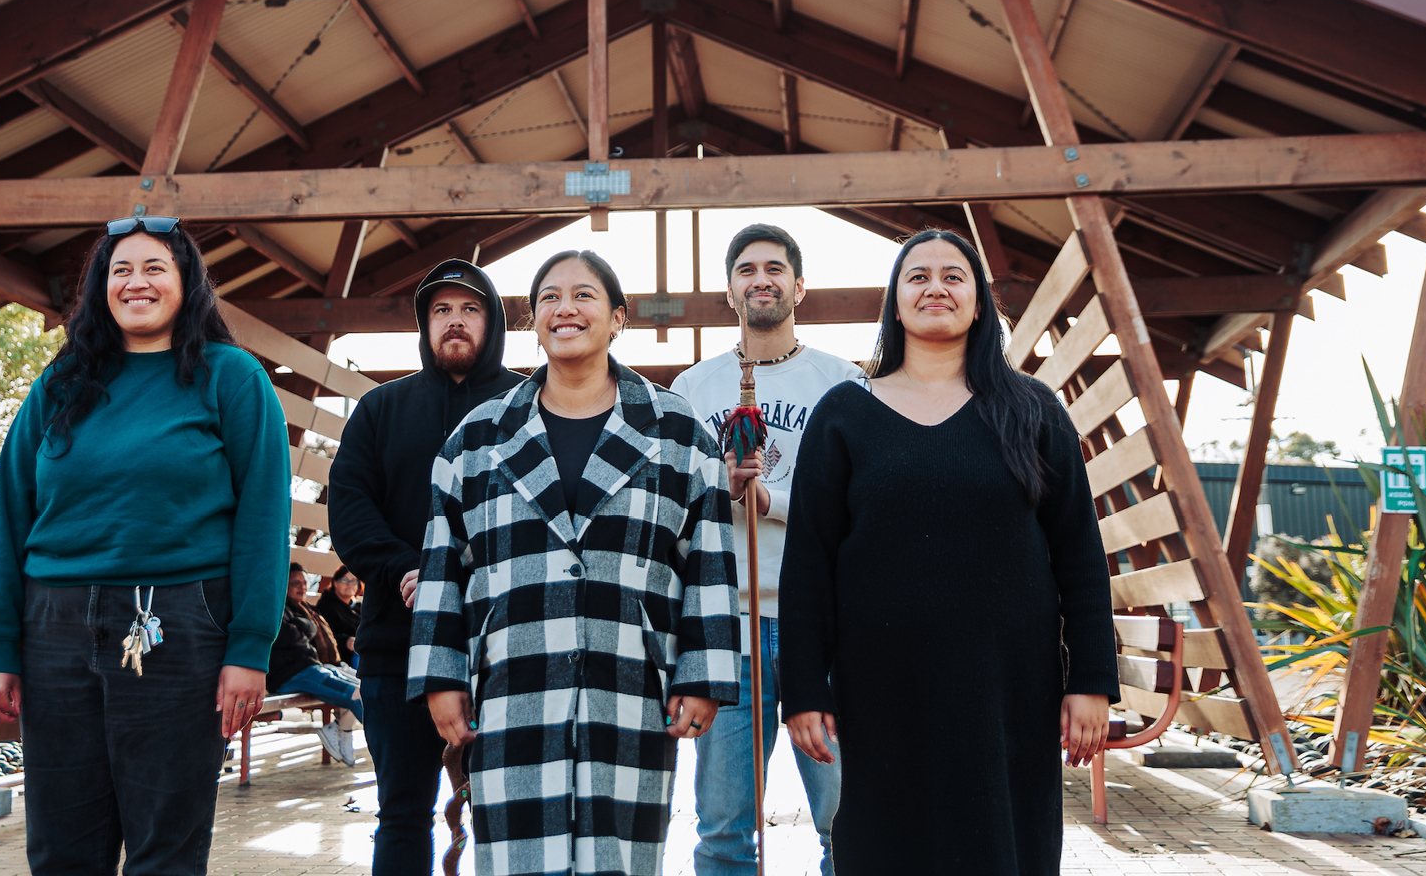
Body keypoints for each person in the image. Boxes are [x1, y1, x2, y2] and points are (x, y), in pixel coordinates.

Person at [778, 228, 1116, 876]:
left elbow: (1080, 556)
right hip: (880, 692)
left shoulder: (1033, 411)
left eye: (954, 276)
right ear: (895, 303)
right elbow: (808, 570)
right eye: (918, 276)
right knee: (884, 847)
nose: (936, 287)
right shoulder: (844, 414)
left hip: (1009, 691)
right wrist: (802, 690)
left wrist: (1092, 681)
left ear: (981, 303)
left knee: (1004, 845)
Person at [0, 215, 289, 876]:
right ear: (99, 289)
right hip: (53, 628)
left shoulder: (230, 378)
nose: (135, 282)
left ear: (185, 284)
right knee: (62, 846)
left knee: (164, 846)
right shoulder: (60, 386)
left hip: (175, 624)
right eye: (120, 270)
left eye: (154, 268)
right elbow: (11, 518)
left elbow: (263, 515)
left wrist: (250, 646)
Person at [409, 249, 741, 876]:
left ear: (618, 318)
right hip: (511, 684)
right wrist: (442, 677)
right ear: (532, 321)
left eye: (585, 295)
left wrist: (701, 674)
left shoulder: (677, 430)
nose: (566, 308)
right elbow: (442, 566)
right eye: (550, 298)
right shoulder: (477, 439)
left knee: (621, 853)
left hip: (631, 683)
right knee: (517, 857)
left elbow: (710, 562)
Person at [671, 224, 859, 876]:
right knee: (724, 829)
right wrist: (714, 488)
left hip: (822, 626)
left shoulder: (844, 384)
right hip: (730, 629)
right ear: (729, 291)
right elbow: (666, 504)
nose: (761, 280)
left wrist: (770, 502)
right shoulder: (693, 391)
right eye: (747, 270)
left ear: (798, 286)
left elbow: (862, 502)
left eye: (775, 268)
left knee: (848, 821)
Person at [328, 259, 526, 875]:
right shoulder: (380, 410)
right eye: (442, 311)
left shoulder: (527, 406)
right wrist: (407, 570)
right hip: (397, 647)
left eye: (469, 310)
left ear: (492, 323)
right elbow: (351, 509)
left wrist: (460, 580)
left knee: (509, 814)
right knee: (403, 813)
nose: (455, 323)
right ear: (424, 325)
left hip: (506, 648)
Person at [268, 563, 365, 766]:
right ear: (283, 585)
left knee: (363, 688)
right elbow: (287, 635)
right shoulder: (276, 607)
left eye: (304, 582)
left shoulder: (304, 608)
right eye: (295, 583)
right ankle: (385, 746)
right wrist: (303, 628)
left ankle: (341, 730)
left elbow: (305, 632)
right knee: (355, 694)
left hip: (311, 666)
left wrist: (302, 626)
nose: (302, 587)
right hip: (290, 673)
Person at [316, 564, 363, 667]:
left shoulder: (360, 607)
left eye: (353, 581)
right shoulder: (325, 606)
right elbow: (325, 635)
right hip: (341, 659)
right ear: (335, 582)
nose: (349, 584)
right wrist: (346, 641)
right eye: (345, 580)